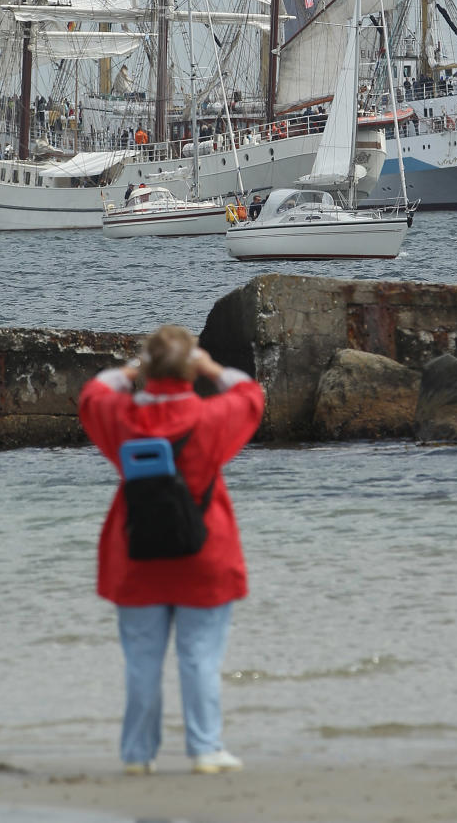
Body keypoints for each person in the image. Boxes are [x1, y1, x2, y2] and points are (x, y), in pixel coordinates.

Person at [79, 326, 264, 776]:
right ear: (190, 368)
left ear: (150, 367)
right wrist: (211, 367)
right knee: (200, 655)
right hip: (204, 551)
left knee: (142, 659)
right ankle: (205, 749)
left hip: (136, 552)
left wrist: (132, 368)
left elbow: (92, 393)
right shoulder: (212, 418)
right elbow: (250, 394)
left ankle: (138, 755)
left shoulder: (120, 418)